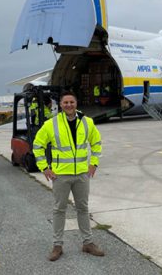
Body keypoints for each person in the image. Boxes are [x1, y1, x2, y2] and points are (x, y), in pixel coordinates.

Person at [33, 90, 105, 260]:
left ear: (76, 103)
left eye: (71, 102)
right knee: (59, 209)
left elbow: (96, 143)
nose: (69, 105)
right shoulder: (51, 124)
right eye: (65, 102)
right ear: (60, 105)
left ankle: (88, 243)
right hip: (60, 176)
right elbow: (37, 145)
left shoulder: (87, 122)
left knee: (83, 208)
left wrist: (94, 163)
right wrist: (44, 168)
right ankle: (57, 246)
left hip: (81, 174)